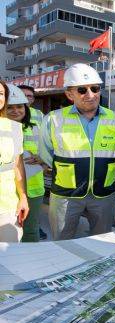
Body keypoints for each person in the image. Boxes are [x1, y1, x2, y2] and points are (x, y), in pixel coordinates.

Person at [40, 64, 115, 240]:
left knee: (103, 241)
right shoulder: (53, 120)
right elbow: (46, 154)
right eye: (82, 90)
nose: (90, 95)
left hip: (104, 192)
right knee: (62, 241)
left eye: (95, 88)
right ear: (69, 94)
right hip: (66, 194)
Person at [5, 84, 46, 242]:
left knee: (30, 231)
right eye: (10, 107)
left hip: (34, 189)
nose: (16, 111)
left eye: (20, 107)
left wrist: (43, 159)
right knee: (9, 233)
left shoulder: (36, 127)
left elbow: (51, 151)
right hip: (8, 192)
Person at [0, 80, 30, 242]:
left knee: (10, 256)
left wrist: (23, 197)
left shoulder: (14, 127)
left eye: (1, 94)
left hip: (7, 206)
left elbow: (17, 166)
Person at [18, 84, 48, 240]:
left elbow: (48, 142)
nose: (26, 98)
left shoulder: (39, 115)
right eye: (23, 95)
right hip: (12, 181)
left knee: (31, 227)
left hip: (34, 179)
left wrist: (43, 160)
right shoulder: (6, 116)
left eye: (30, 96)